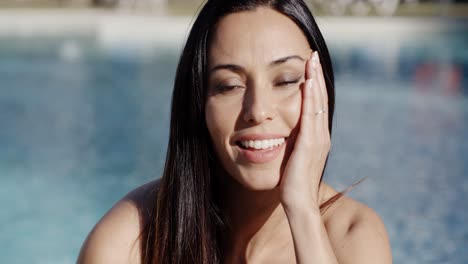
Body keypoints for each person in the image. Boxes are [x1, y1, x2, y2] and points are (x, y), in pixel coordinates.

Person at [77, 0, 392, 263]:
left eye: (285, 80)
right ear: (198, 103)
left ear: (322, 92)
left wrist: (303, 212)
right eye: (229, 85)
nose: (257, 110)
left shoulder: (352, 237)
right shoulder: (131, 240)